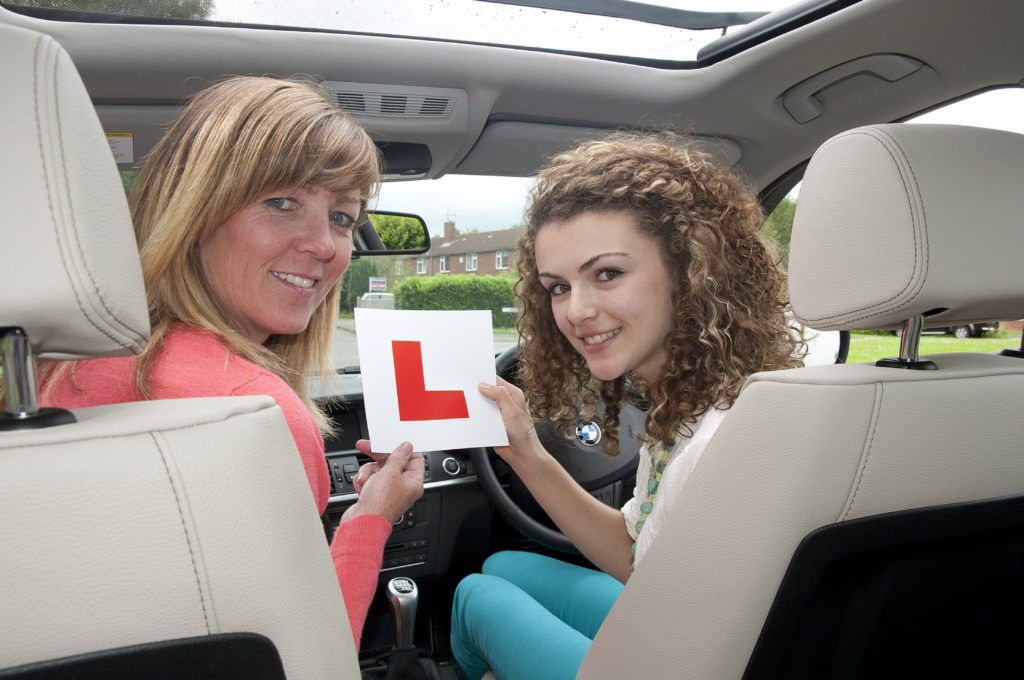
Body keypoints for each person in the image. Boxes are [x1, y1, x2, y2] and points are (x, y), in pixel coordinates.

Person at [37, 76, 424, 650]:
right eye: (281, 202)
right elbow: (310, 655)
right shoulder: (255, 412)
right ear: (193, 211)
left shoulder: (60, 369)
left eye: (342, 217)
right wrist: (372, 515)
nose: (324, 244)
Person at [450, 132, 804, 680]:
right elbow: (640, 557)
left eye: (607, 274)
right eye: (558, 286)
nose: (576, 311)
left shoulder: (716, 442)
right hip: (690, 632)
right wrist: (526, 455)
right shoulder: (702, 401)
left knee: (472, 593)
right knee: (502, 564)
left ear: (692, 271)